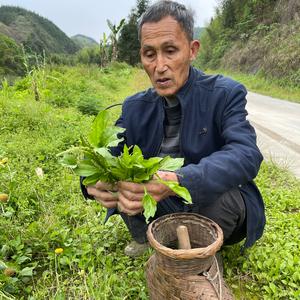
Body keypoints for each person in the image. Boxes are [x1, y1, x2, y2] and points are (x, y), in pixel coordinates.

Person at [82, 0, 265, 258]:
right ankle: (148, 238)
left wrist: (179, 180)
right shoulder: (134, 107)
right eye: (149, 54)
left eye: (170, 51)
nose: (159, 66)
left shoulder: (225, 93)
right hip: (161, 203)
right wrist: (91, 182)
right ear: (141, 57)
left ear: (192, 50)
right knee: (127, 182)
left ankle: (199, 258)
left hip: (209, 205)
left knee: (221, 199)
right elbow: (107, 154)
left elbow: (246, 154)